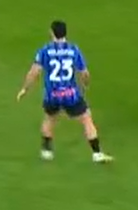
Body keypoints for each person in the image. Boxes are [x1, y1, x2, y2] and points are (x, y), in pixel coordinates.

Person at [16, 20, 111, 163]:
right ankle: (97, 153)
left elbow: (34, 72)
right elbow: (84, 73)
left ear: (51, 33)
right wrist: (85, 85)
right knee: (86, 119)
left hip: (52, 95)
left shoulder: (45, 51)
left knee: (50, 119)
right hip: (70, 95)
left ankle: (47, 151)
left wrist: (25, 89)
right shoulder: (74, 50)